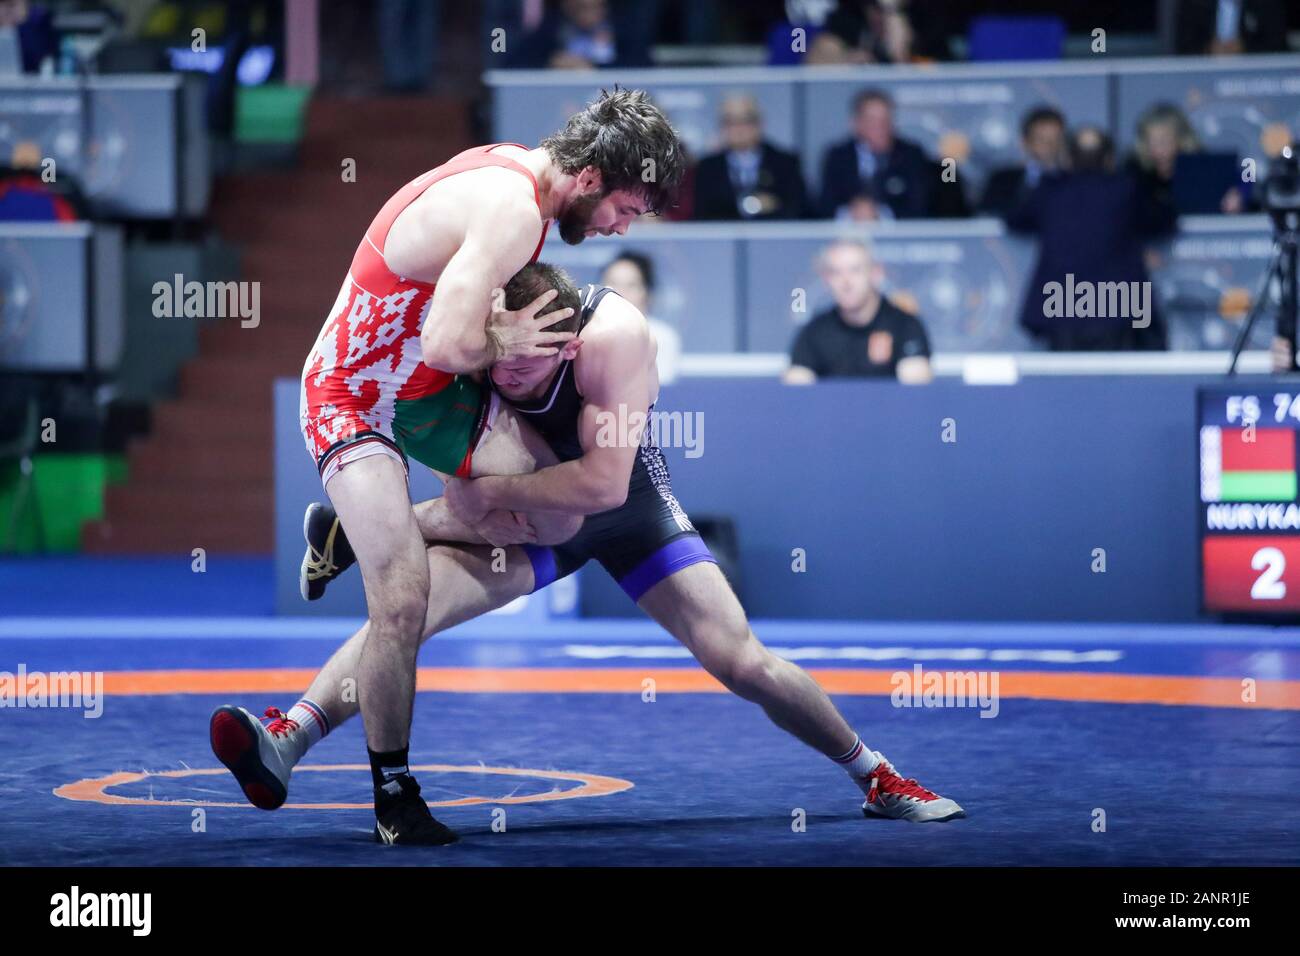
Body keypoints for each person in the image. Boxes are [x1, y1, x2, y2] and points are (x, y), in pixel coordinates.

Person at [214, 262, 965, 835]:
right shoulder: (480, 350)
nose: (506, 373)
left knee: (742, 659)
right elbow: (465, 471)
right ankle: (287, 737)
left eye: (526, 365)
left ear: (567, 348)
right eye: (497, 358)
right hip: (532, 521)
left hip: (625, 508)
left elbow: (604, 488)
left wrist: (497, 499)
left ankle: (878, 776)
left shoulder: (614, 341)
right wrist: (487, 496)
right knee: (405, 611)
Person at [210, 89, 685, 846]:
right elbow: (442, 344)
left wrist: (492, 333)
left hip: (424, 391)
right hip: (355, 394)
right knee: (401, 598)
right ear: (591, 177)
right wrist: (501, 340)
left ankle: (346, 537)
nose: (623, 228)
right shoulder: (514, 208)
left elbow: (442, 343)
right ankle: (395, 797)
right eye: (626, 209)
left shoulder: (521, 182)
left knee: (560, 515)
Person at [1007, 126, 1175, 351]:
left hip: (1061, 306)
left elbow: (1014, 219)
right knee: (1120, 382)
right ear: (1109, 159)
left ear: (1067, 159)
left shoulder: (1049, 190)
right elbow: (1164, 221)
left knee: (1065, 383)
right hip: (1118, 307)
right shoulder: (1127, 188)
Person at [784, 239, 933, 384]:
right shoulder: (814, 332)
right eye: (836, 272)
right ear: (826, 279)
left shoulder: (905, 325)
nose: (846, 282)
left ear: (876, 273)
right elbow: (796, 393)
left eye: (855, 270)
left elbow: (915, 393)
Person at [818, 88, 932, 220]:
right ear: (856, 123)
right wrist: (852, 212)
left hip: (898, 236)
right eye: (872, 120)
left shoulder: (911, 155)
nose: (880, 127)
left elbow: (920, 207)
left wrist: (880, 213)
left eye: (886, 119)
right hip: (847, 234)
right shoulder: (838, 156)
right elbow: (825, 207)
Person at [691, 94, 807, 221]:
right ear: (721, 126)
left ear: (760, 123)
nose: (739, 128)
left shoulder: (785, 163)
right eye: (730, 122)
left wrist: (774, 206)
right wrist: (746, 206)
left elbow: (801, 211)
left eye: (746, 120)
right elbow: (701, 216)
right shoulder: (707, 167)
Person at [599, 250, 681, 384]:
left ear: (646, 293)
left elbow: (662, 390)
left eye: (631, 285)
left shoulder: (663, 337)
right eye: (612, 283)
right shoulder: (584, 334)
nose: (619, 292)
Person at [979, 106, 1067, 218]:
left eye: (1055, 139)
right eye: (1041, 139)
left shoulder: (1075, 182)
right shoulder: (1001, 181)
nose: (1049, 146)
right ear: (1024, 142)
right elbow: (987, 218)